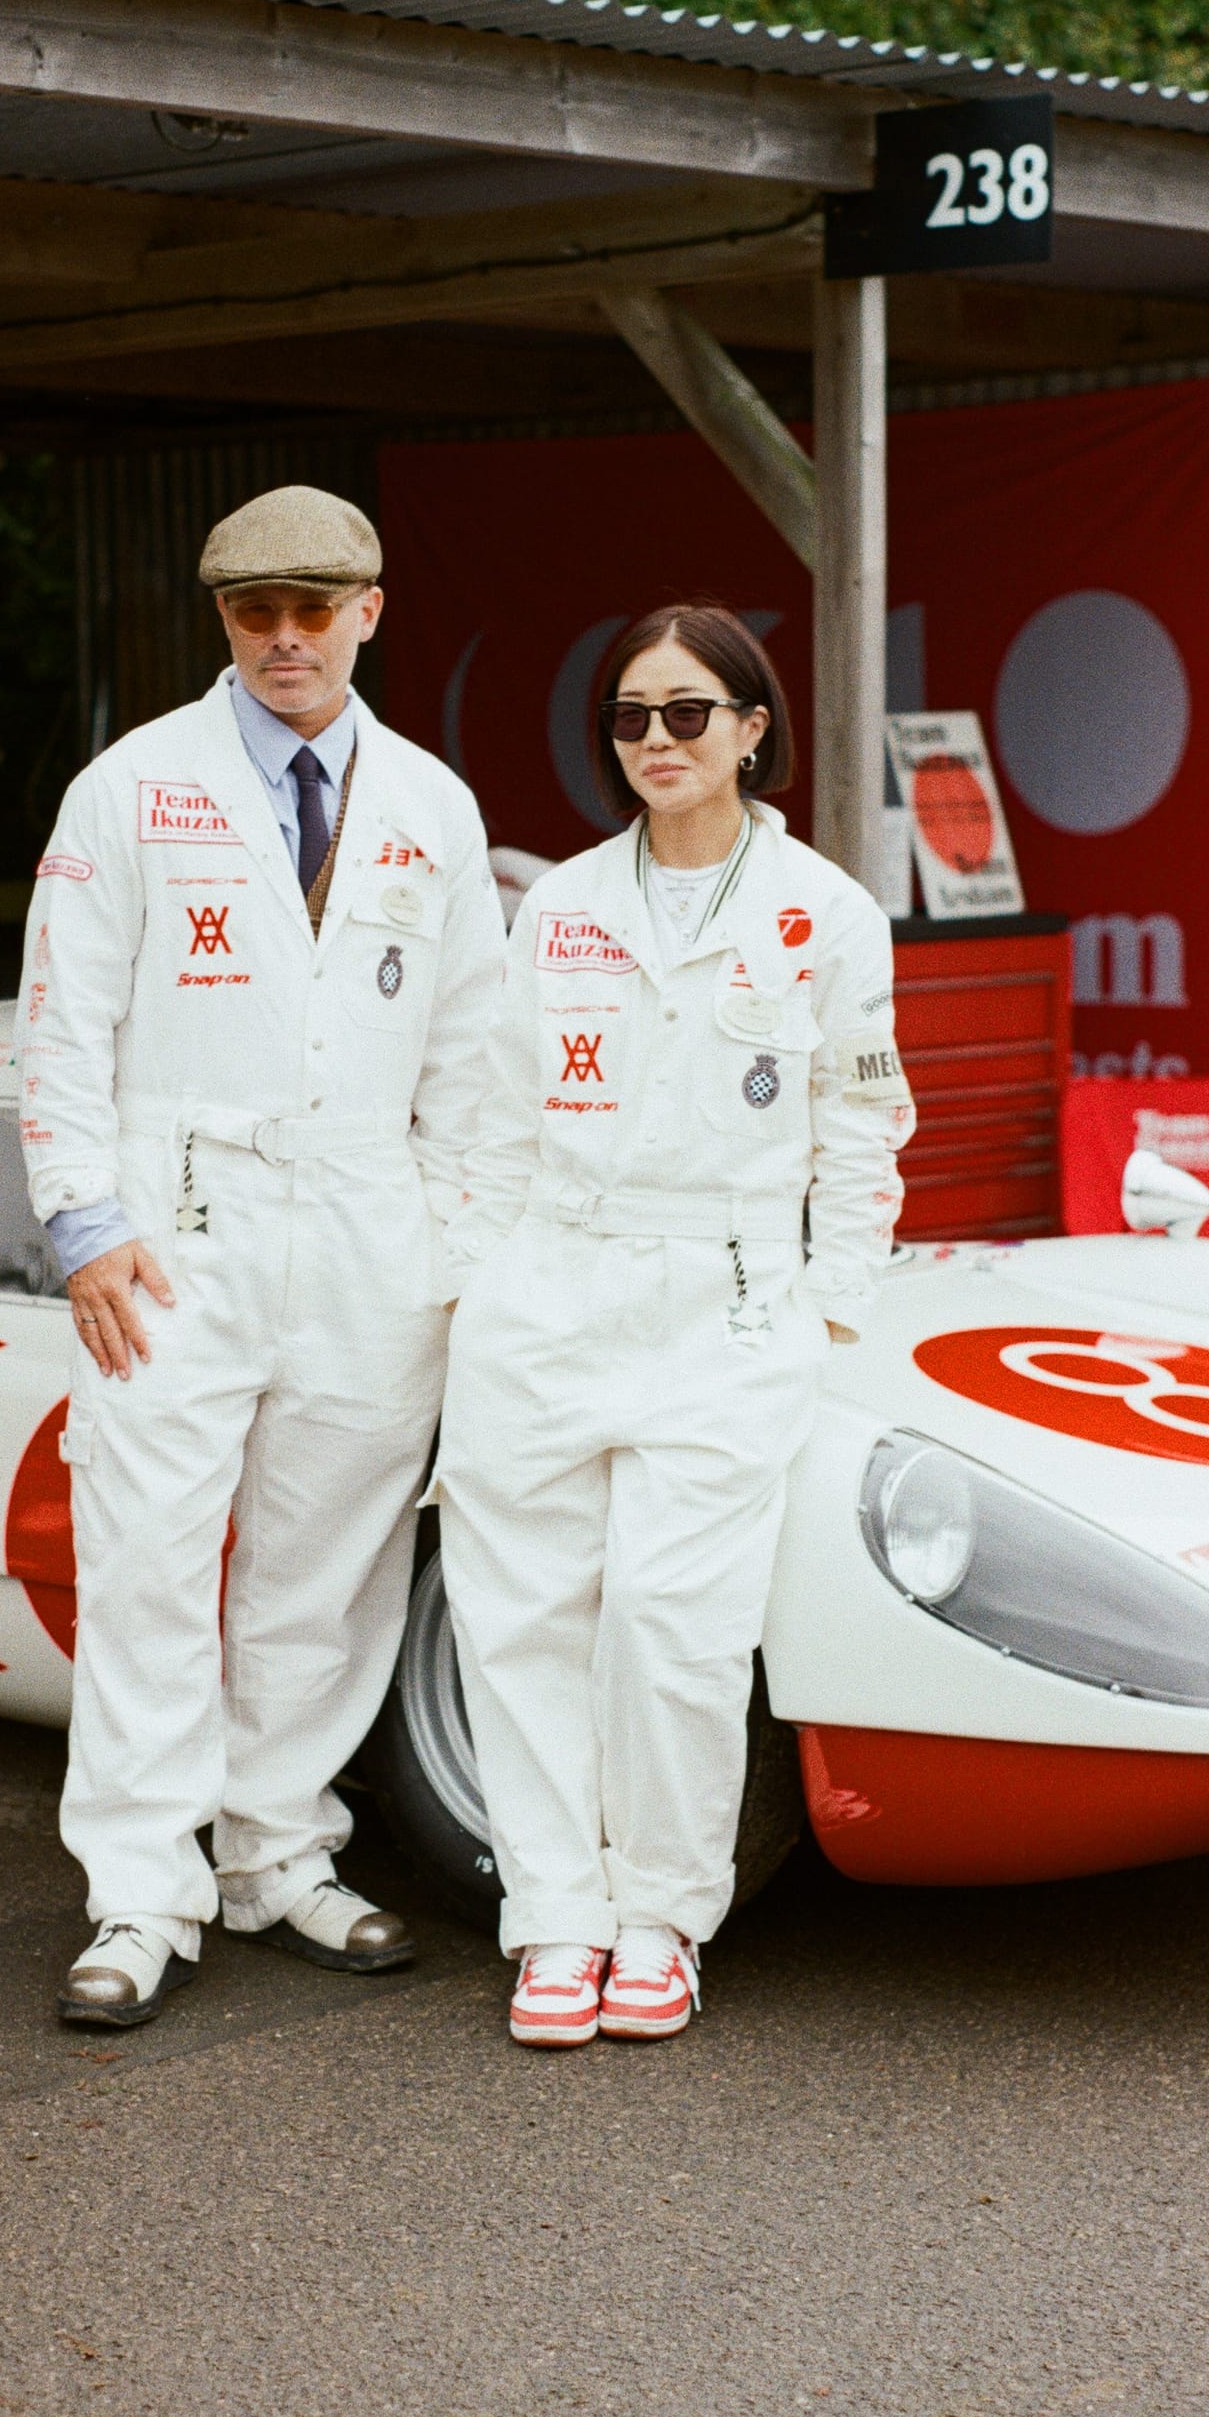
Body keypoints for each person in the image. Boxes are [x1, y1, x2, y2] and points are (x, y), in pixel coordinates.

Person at [18, 484, 505, 2028]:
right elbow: (61, 1020)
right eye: (255, 613)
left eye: (314, 610)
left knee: (330, 1565)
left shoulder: (433, 803)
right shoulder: (130, 788)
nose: (285, 639)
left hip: (370, 1225)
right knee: (150, 1559)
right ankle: (139, 1891)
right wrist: (85, 1223)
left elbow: (472, 1056)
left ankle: (278, 1852)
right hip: (178, 1222)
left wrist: (452, 1248)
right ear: (223, 618)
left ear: (370, 610)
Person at [434, 602, 916, 2047]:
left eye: (690, 712)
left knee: (672, 1624)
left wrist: (831, 1308)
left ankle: (661, 1917)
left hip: (729, 1298)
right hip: (550, 1288)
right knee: (521, 1620)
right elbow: (498, 1114)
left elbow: (863, 1129)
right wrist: (477, 1280)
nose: (658, 739)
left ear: (753, 729)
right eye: (633, 716)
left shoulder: (827, 914)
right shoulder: (563, 905)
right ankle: (553, 1918)